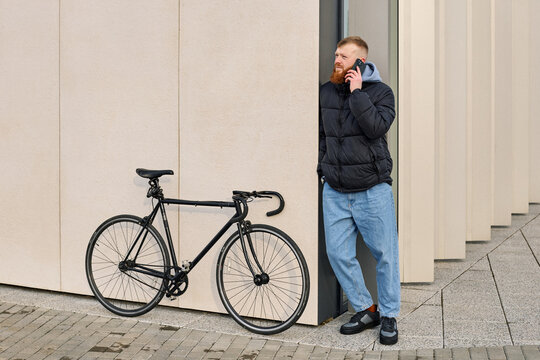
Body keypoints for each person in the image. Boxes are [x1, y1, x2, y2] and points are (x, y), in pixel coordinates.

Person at [317, 36, 400, 345]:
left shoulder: (381, 93)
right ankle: (367, 308)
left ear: (360, 63)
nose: (336, 59)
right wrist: (323, 167)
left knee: (385, 255)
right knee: (337, 253)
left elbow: (377, 128)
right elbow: (323, 134)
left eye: (344, 56)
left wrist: (357, 93)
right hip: (335, 191)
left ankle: (389, 315)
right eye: (336, 54)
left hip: (372, 190)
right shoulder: (325, 92)